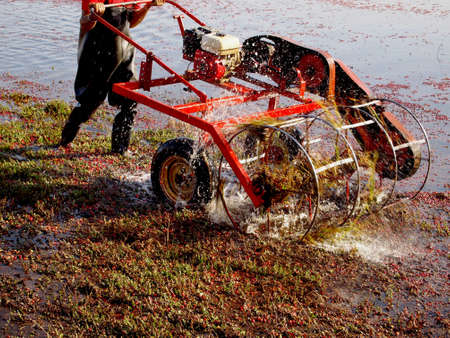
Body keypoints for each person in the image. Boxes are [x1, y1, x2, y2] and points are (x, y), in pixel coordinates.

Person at [60, 0, 164, 154]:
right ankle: (64, 141)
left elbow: (132, 22)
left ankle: (120, 150)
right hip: (99, 50)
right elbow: (84, 23)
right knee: (90, 102)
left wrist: (148, 6)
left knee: (130, 98)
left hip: (124, 48)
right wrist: (94, 16)